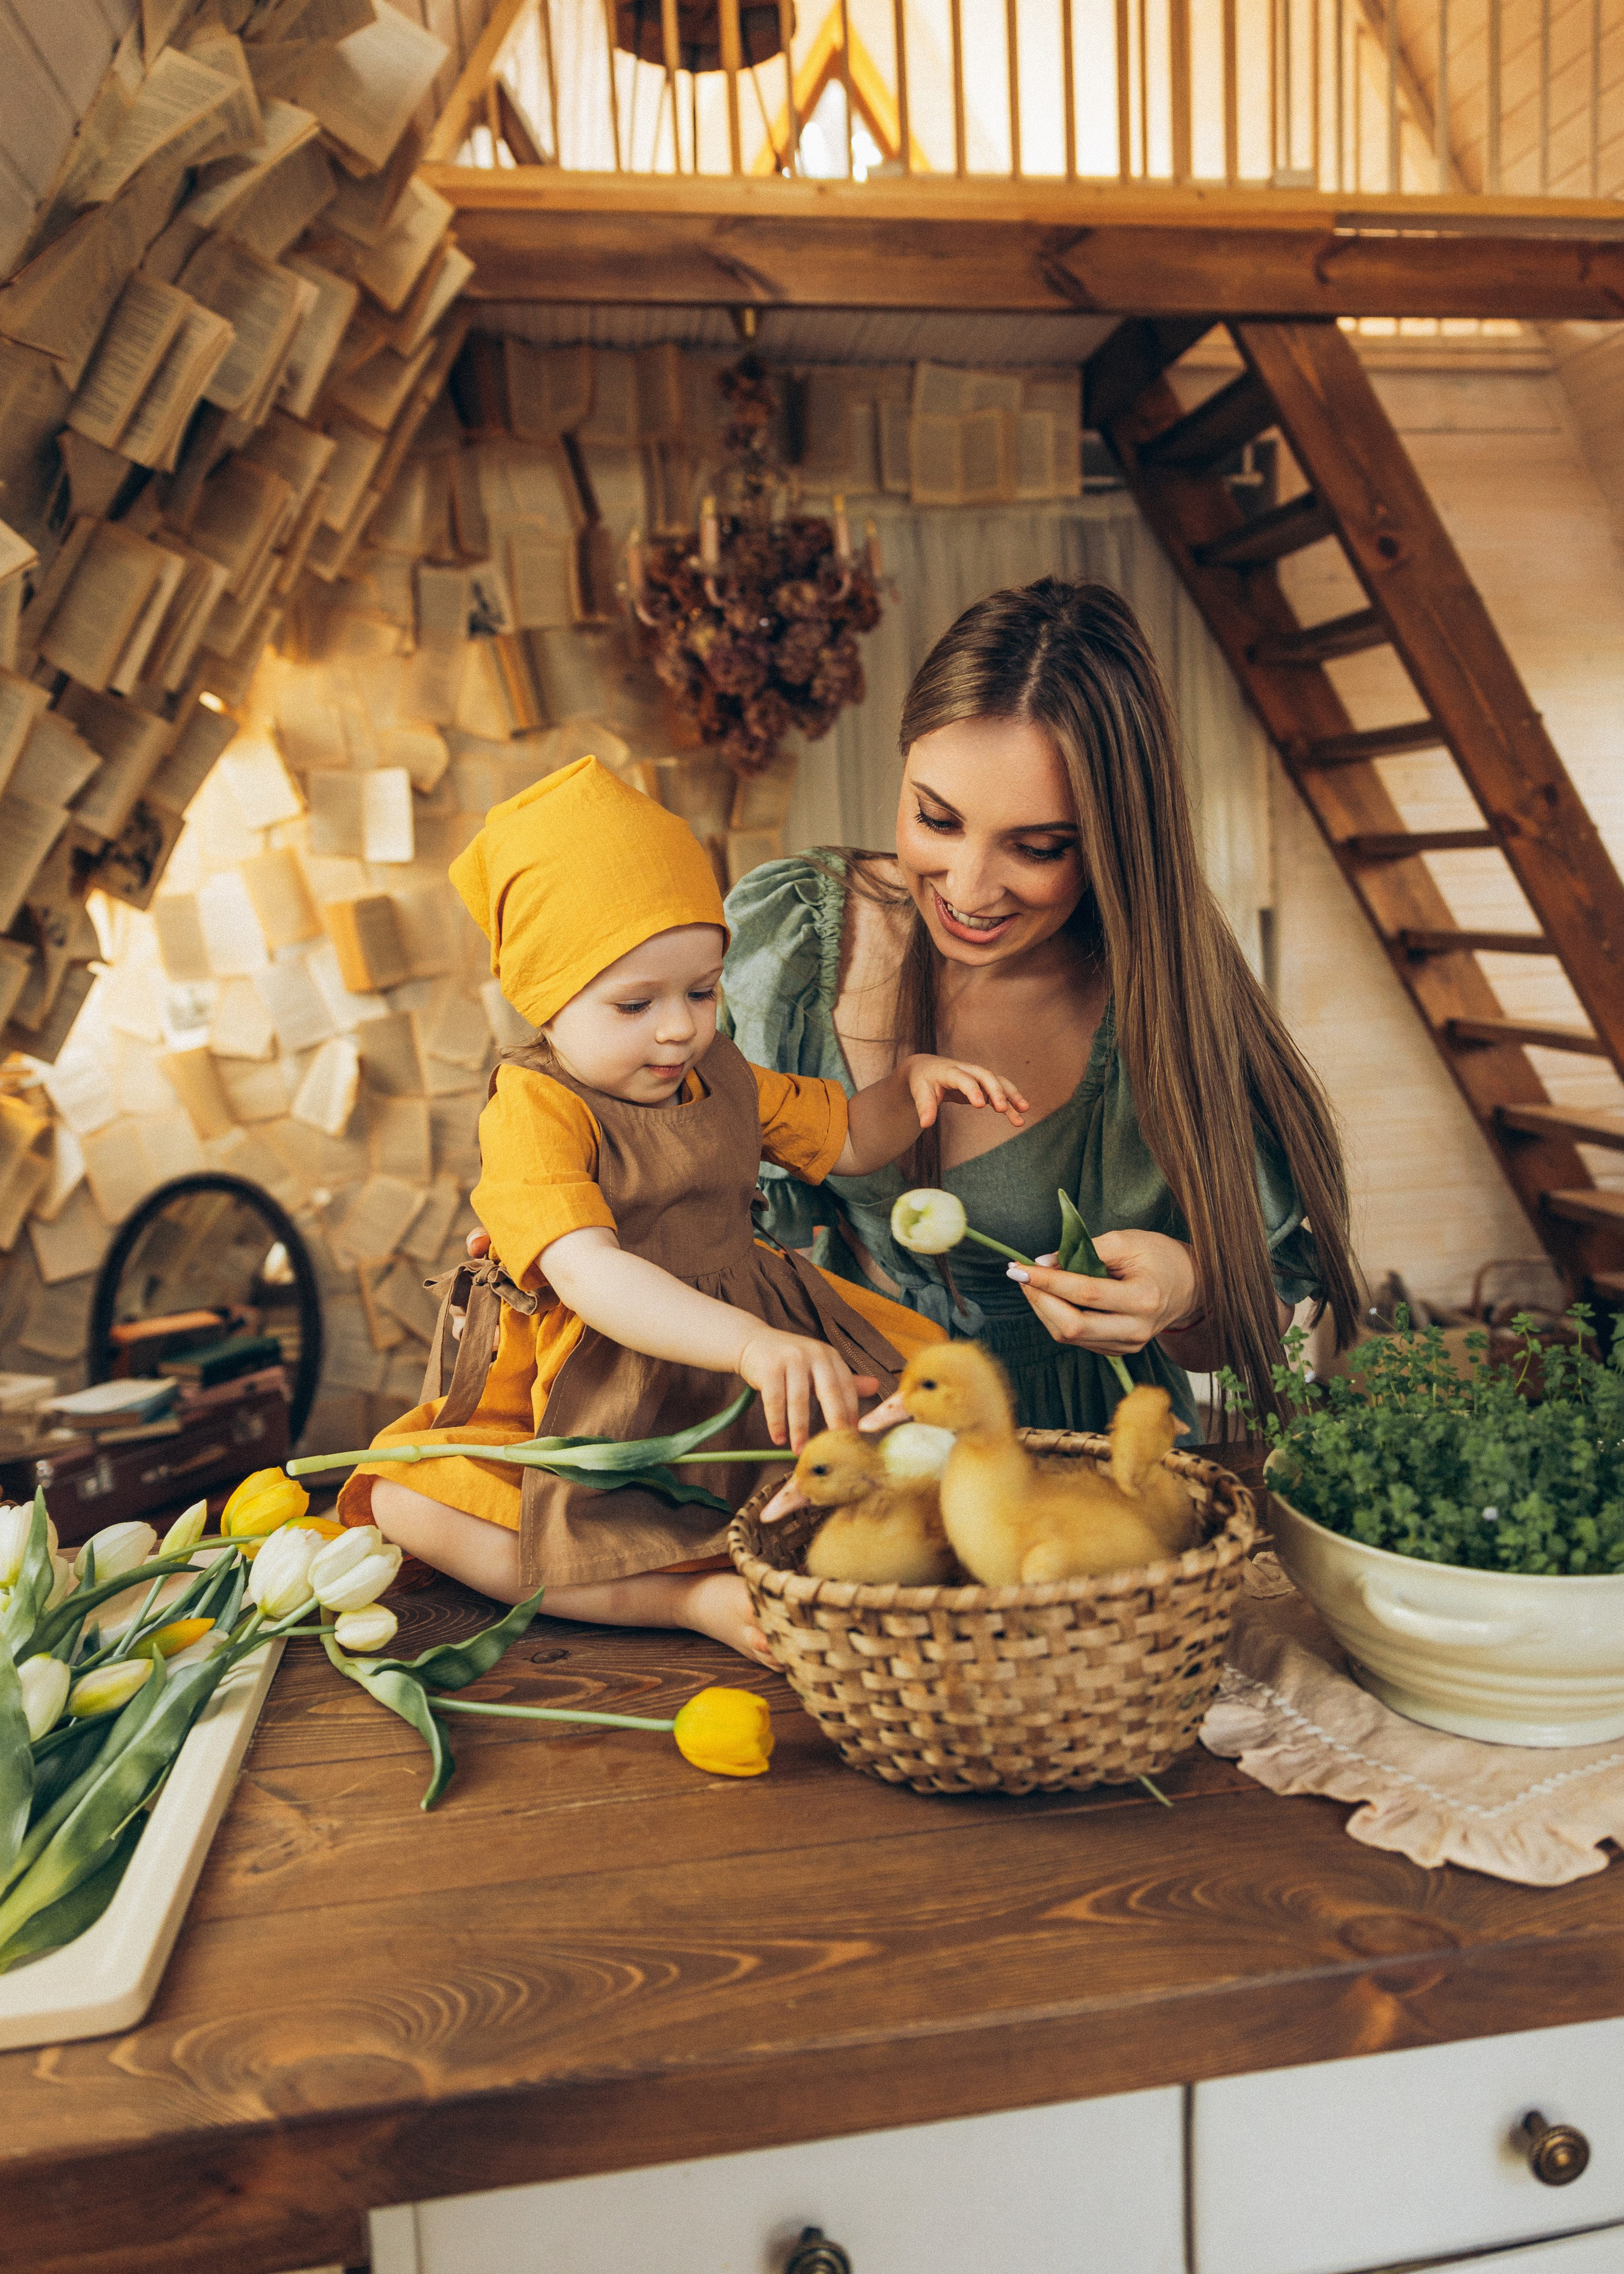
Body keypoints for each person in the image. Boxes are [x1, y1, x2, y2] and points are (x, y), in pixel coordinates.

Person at [338, 756, 1024, 1662]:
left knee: (932, 1400)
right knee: (405, 1499)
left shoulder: (719, 1072)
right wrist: (745, 1343)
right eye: (636, 1003)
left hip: (750, 1361)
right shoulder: (536, 1106)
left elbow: (848, 1139)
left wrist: (909, 1087)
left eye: (702, 992)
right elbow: (588, 1269)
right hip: (601, 1387)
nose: (678, 1028)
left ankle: (819, 1547)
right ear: (547, 1000)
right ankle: (683, 1603)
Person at [721, 577, 1359, 1443]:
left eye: (1038, 847)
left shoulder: (1164, 1002)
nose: (971, 890)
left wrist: (1183, 1286)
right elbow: (683, 1167)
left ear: (1113, 837)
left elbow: (1238, 1327)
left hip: (1081, 1455)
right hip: (850, 1436)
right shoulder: (794, 936)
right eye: (937, 820)